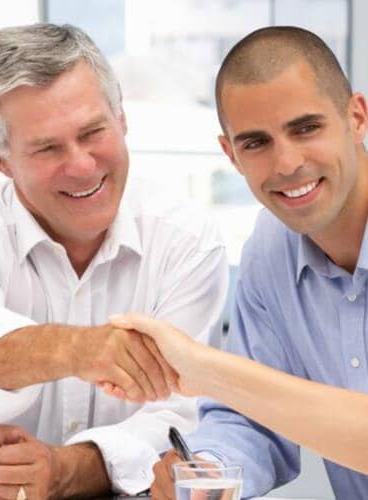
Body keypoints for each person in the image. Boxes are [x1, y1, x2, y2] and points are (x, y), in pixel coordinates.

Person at [0, 23, 228, 499]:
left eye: (93, 132)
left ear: (121, 118)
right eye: (48, 147)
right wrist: (80, 350)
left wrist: (68, 468)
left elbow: (179, 414)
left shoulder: (185, 241)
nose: (83, 165)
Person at [109, 25, 368, 499]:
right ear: (230, 154)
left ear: (356, 117)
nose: (286, 163)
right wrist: (208, 469)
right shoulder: (271, 248)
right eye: (256, 143)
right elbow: (249, 419)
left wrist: (205, 368)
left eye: (306, 128)